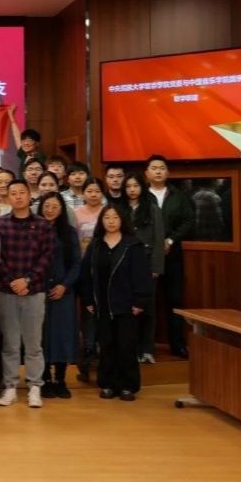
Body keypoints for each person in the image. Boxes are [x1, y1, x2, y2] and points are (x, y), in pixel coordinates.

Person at [0, 180, 55, 409]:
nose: (18, 196)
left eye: (22, 193)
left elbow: (47, 257)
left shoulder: (43, 225)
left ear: (30, 196)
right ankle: (9, 386)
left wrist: (27, 280)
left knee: (33, 344)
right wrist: (13, 281)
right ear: (7, 197)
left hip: (34, 291)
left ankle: (35, 387)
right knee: (10, 343)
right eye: (13, 193)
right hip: (6, 291)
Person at [79, 204, 152, 401]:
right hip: (102, 304)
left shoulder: (132, 245)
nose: (111, 221)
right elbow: (86, 274)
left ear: (122, 220)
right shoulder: (95, 245)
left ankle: (128, 386)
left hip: (127, 305)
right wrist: (88, 298)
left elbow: (142, 276)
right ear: (101, 221)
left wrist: (140, 301)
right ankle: (107, 384)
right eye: (107, 217)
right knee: (106, 345)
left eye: (115, 217)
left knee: (126, 345)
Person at [144, 155, 194, 359]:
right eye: (154, 168)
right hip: (147, 256)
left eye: (162, 168)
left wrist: (171, 240)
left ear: (168, 172)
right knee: (147, 300)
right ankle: (145, 347)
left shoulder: (178, 195)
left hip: (172, 254)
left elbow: (188, 220)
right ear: (146, 173)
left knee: (174, 299)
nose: (158, 171)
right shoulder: (141, 195)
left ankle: (177, 344)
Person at [37, 192, 81, 399]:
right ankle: (45, 379)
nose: (50, 210)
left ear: (62, 209)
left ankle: (61, 379)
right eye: (46, 206)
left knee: (62, 335)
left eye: (54, 206)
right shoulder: (34, 230)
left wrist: (64, 285)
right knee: (42, 336)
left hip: (63, 291)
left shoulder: (69, 232)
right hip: (39, 290)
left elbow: (76, 263)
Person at [123, 172, 165, 364]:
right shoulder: (120, 209)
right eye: (128, 186)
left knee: (148, 308)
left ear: (142, 187)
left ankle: (147, 349)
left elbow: (159, 239)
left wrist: (156, 267)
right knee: (128, 308)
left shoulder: (152, 208)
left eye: (135, 186)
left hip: (147, 262)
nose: (132, 190)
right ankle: (131, 349)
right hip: (126, 263)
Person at [75, 176, 106, 380]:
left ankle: (103, 355)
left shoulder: (108, 212)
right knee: (87, 311)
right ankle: (87, 354)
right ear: (83, 193)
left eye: (97, 191)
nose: (93, 194)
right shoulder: (76, 213)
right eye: (89, 191)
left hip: (104, 268)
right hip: (82, 268)